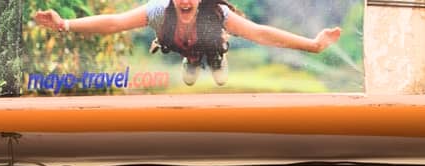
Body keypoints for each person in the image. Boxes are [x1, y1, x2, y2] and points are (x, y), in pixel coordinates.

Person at [32, 0, 341, 87]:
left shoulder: (216, 14)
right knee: (190, 63)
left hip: (210, 43)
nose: (184, 1)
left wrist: (312, 45)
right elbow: (115, 23)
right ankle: (191, 62)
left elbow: (260, 33)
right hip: (179, 45)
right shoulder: (158, 12)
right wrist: (65, 25)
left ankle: (216, 59)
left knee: (215, 58)